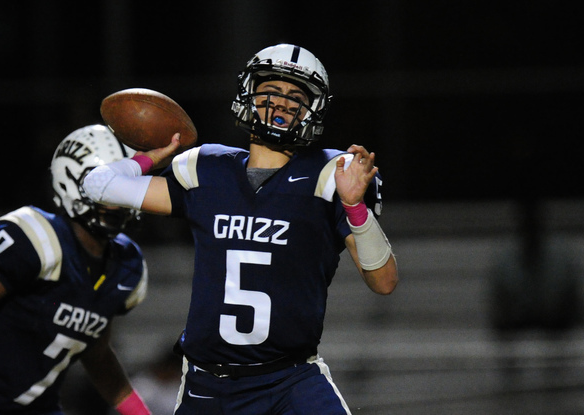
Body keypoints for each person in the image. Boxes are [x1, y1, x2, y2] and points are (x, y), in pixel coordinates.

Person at [82, 44, 399, 414]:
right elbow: (97, 185)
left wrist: (354, 205)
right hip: (210, 384)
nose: (281, 104)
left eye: (295, 96)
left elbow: (384, 281)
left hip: (291, 380)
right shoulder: (207, 168)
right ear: (248, 93)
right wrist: (150, 157)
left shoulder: (332, 175)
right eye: (271, 92)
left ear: (313, 109)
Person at [0, 125, 152, 415]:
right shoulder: (39, 240)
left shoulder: (126, 265)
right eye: (107, 186)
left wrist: (139, 412)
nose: (116, 199)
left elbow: (96, 352)